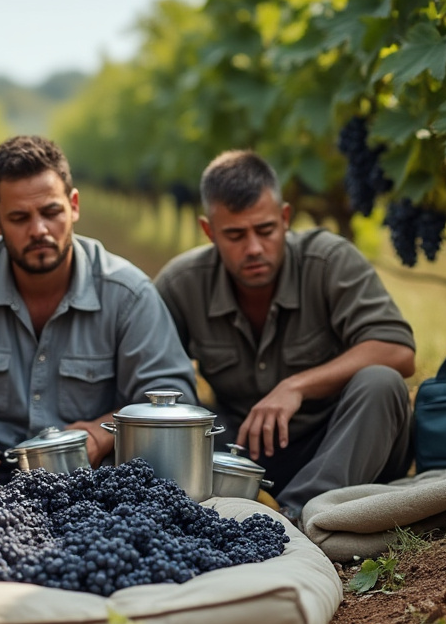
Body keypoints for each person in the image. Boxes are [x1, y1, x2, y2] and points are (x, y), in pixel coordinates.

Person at [0, 135, 197, 479]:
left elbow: (169, 397)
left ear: (74, 205)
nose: (39, 230)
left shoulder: (127, 293)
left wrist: (100, 433)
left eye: (51, 212)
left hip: (89, 475)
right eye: (19, 218)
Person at [153, 149, 416, 522]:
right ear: (209, 231)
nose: (254, 248)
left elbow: (397, 350)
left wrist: (297, 386)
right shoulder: (181, 284)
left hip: (341, 446)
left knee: (381, 382)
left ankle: (292, 515)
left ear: (285, 218)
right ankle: (258, 504)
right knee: (171, 416)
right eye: (235, 235)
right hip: (245, 454)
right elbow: (150, 375)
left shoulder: (329, 260)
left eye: (265, 230)